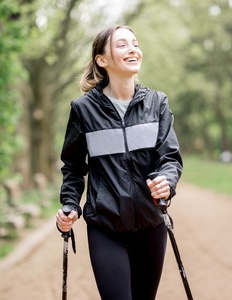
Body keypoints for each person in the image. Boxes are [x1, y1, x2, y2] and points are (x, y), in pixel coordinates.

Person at [55, 25, 183, 300]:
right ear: (102, 60)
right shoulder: (83, 110)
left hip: (152, 225)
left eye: (135, 43)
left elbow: (169, 157)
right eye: (122, 44)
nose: (133, 49)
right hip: (106, 229)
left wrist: (167, 181)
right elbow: (74, 167)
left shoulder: (157, 103)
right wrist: (69, 204)